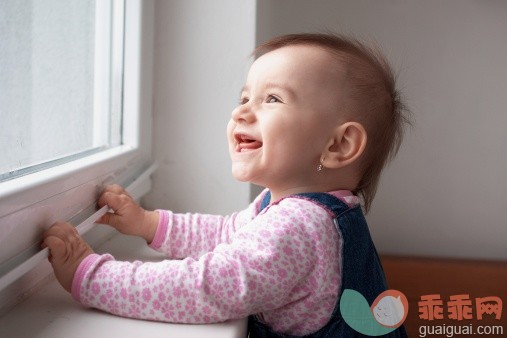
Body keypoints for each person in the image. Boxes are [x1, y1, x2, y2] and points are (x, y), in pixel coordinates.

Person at [43, 33, 410, 337]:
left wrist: (92, 275)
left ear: (338, 145)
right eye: (244, 97)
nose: (241, 111)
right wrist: (148, 224)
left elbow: (204, 289)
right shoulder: (297, 210)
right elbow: (227, 232)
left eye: (273, 99)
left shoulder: (301, 227)